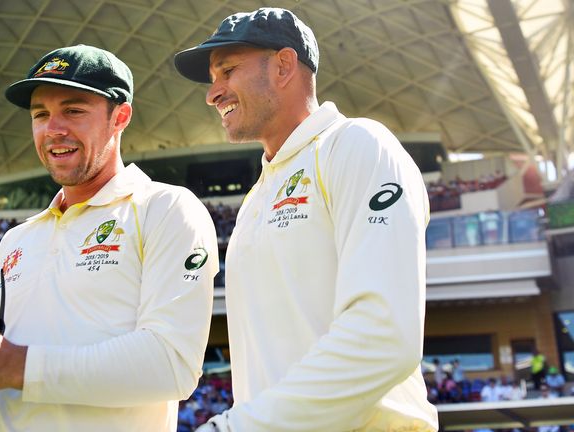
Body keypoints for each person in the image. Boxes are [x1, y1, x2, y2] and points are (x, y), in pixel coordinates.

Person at [0, 45, 218, 431]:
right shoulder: (16, 240)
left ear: (120, 117)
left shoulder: (166, 209)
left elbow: (170, 365)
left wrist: (10, 363)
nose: (54, 128)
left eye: (73, 110)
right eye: (41, 114)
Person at [174, 7, 438, 431]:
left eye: (227, 71)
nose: (212, 93)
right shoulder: (259, 195)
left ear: (283, 66)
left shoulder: (356, 144)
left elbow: (384, 335)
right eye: (212, 78)